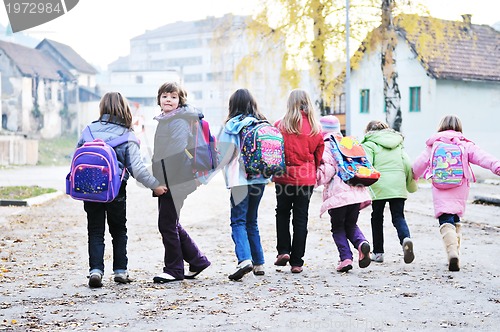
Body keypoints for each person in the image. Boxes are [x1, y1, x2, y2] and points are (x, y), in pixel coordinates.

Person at [77, 92, 167, 288]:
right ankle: (120, 271)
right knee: (118, 230)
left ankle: (96, 271)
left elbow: (76, 156)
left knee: (95, 230)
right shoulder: (126, 135)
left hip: (90, 189)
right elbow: (137, 169)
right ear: (123, 110)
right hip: (115, 190)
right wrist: (156, 185)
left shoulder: (89, 130)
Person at [412, 115, 500, 271]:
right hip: (460, 186)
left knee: (445, 219)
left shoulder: (433, 145)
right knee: (455, 216)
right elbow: (483, 157)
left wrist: (414, 176)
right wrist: (496, 167)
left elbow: (419, 164)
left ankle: (452, 252)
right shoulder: (465, 145)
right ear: (459, 127)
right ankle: (455, 252)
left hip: (440, 186)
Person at [151, 82, 211, 283]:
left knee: (167, 224)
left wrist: (163, 182)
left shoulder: (177, 121)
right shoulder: (167, 120)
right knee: (171, 222)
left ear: (180, 101)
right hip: (173, 178)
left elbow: (174, 154)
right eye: (165, 96)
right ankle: (197, 261)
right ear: (159, 99)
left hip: (175, 179)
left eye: (173, 96)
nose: (168, 99)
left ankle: (174, 269)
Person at [217, 88, 269, 281]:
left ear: (232, 105)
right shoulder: (262, 124)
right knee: (252, 220)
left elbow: (223, 156)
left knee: (238, 220)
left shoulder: (231, 126)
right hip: (260, 178)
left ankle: (244, 260)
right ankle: (259, 263)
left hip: (239, 180)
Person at [272, 89, 324, 273]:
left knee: (283, 213)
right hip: (305, 179)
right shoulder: (316, 128)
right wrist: (311, 170)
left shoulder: (279, 125)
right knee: (301, 218)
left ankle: (283, 251)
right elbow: (319, 156)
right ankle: (297, 262)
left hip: (283, 177)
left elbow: (274, 151)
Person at [316, 115, 372, 272]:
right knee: (351, 224)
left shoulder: (326, 145)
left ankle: (346, 258)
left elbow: (328, 170)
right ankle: (362, 244)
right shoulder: (348, 143)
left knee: (338, 227)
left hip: (338, 195)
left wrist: (314, 179)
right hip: (356, 190)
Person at [361, 120, 418, 264]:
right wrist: (410, 185)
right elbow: (406, 163)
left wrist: (361, 183)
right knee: (398, 216)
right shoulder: (398, 144)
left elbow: (367, 164)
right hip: (397, 185)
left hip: (378, 185)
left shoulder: (369, 143)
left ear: (368, 131)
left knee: (377, 218)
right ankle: (405, 238)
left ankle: (378, 253)